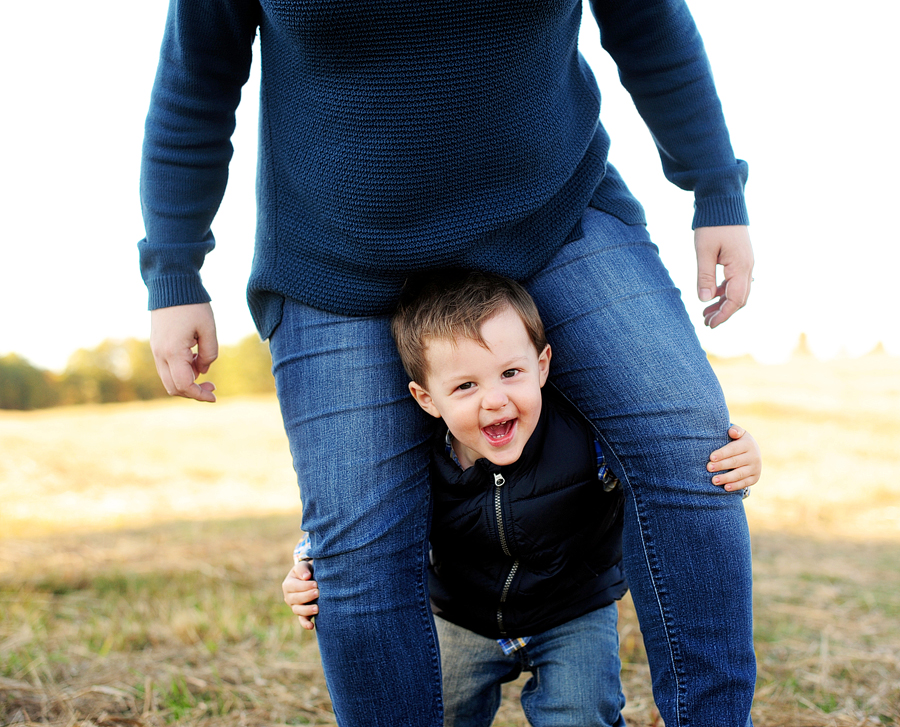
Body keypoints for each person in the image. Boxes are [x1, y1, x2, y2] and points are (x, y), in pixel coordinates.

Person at [140, 0, 757, 724]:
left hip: (549, 209)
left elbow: (648, 22)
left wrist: (716, 185)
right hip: (335, 256)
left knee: (691, 443)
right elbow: (197, 77)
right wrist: (174, 266)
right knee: (358, 553)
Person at [282, 272, 762, 727]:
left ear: (542, 365)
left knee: (581, 713)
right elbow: (362, 515)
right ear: (426, 398)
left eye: (510, 373)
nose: (494, 399)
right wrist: (307, 566)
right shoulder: (415, 459)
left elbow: (661, 466)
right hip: (459, 616)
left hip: (572, 611)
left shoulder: (586, 436)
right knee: (442, 713)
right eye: (465, 386)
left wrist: (732, 457)